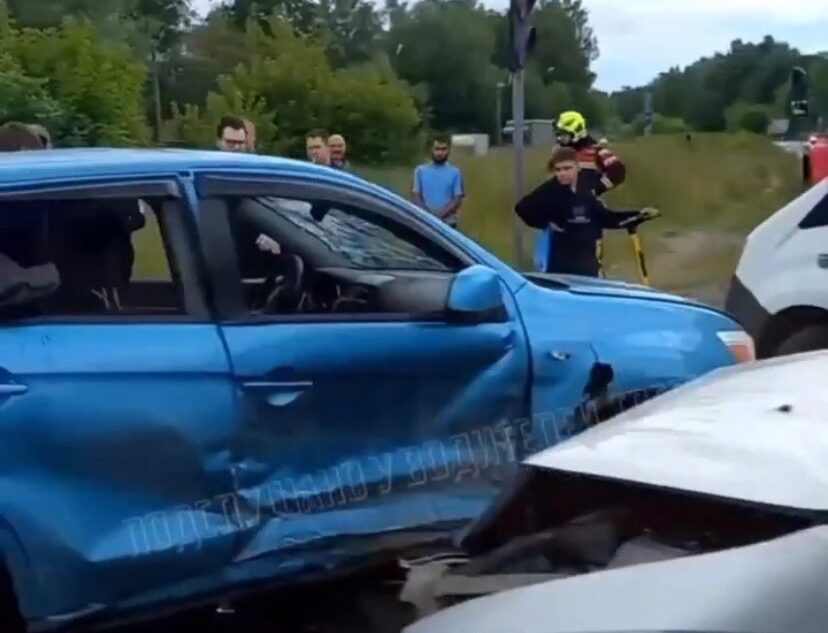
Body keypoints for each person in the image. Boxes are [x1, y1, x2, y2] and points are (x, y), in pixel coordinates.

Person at [516, 147, 657, 277]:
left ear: (577, 167)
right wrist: (545, 223)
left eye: (567, 168)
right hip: (561, 258)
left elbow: (604, 218)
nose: (562, 173)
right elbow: (522, 208)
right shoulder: (549, 189)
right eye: (558, 170)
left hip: (587, 255)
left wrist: (638, 215)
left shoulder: (588, 186)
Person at [535, 110, 627, 271]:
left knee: (590, 262)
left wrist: (596, 189)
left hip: (588, 216)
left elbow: (618, 172)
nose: (560, 139)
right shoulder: (560, 152)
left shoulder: (597, 151)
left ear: (576, 132)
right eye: (559, 135)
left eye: (564, 135)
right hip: (561, 215)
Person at [411, 135, 465, 228]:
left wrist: (439, 216)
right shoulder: (420, 170)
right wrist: (427, 216)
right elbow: (416, 195)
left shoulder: (455, 172)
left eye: (443, 149)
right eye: (437, 149)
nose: (440, 153)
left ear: (448, 151)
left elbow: (457, 199)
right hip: (425, 221)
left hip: (448, 223)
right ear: (431, 150)